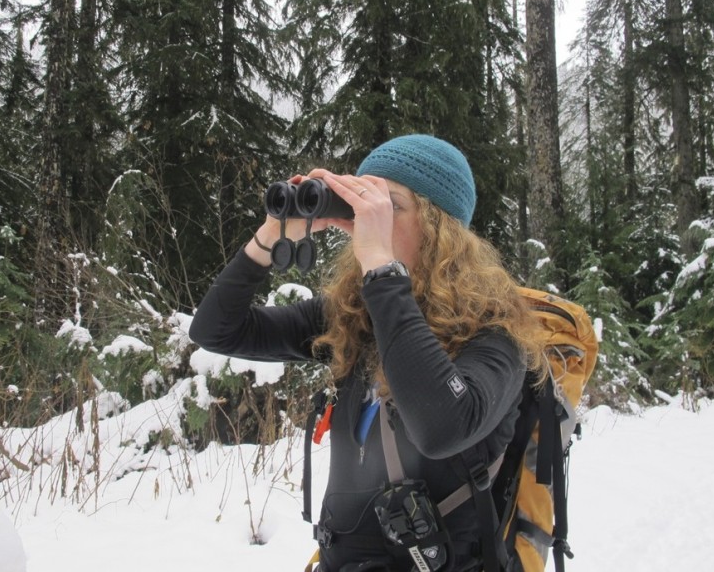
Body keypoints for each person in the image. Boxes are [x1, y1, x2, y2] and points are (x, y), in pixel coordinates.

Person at [189, 134, 546, 572]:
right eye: (363, 202)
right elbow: (218, 330)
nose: (368, 218)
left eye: (389, 205)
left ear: (441, 229)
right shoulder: (357, 316)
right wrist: (270, 235)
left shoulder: (496, 334)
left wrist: (381, 265)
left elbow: (441, 428)